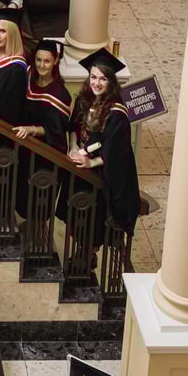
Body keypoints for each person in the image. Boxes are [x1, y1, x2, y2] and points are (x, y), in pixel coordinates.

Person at [64, 49, 140, 250]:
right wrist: (73, 146)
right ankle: (81, 252)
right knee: (76, 213)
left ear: (111, 82)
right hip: (78, 166)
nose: (96, 83)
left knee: (92, 221)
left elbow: (115, 152)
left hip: (99, 175)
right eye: (93, 77)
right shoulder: (84, 99)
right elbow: (73, 127)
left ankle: (88, 256)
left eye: (103, 79)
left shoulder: (117, 113)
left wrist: (90, 162)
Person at [15, 40, 71, 151]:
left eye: (47, 61)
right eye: (38, 60)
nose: (41, 65)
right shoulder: (27, 78)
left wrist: (31, 129)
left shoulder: (60, 94)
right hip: (23, 143)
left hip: (44, 150)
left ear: (55, 61)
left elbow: (55, 129)